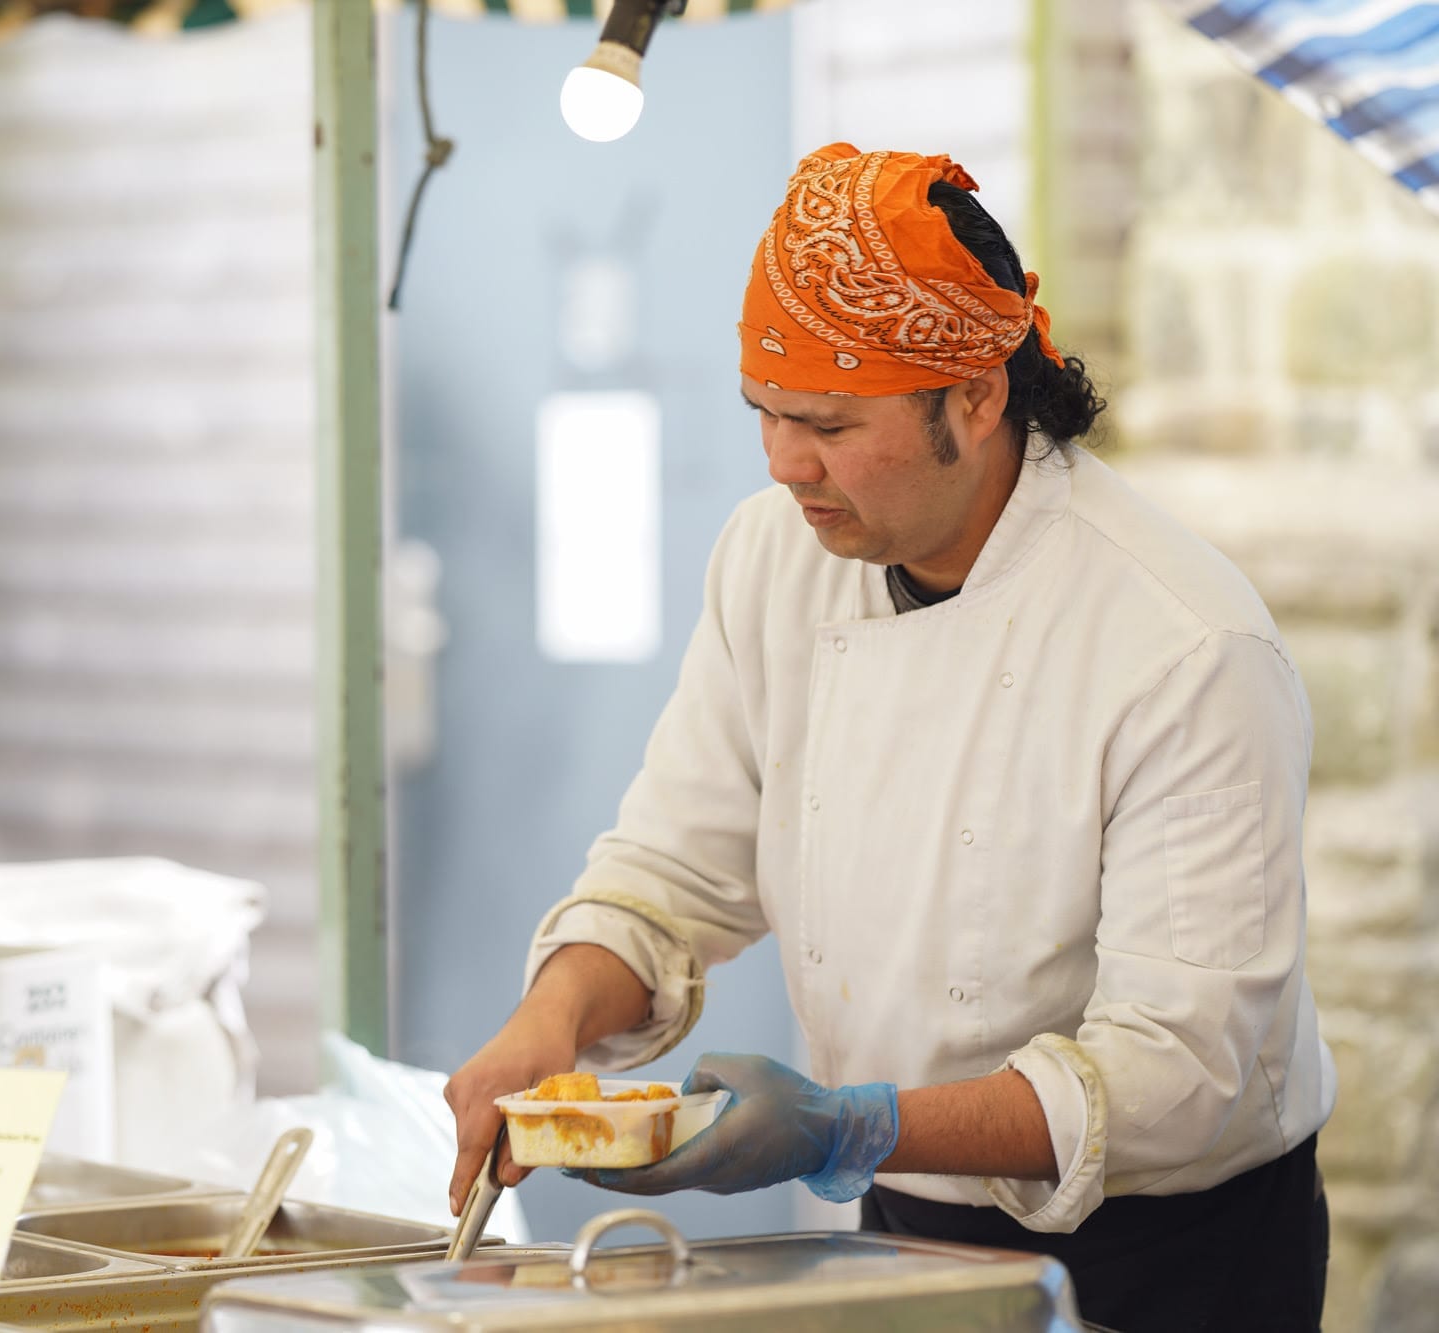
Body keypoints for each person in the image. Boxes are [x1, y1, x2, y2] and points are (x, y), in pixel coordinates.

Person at [444, 143, 1335, 1333]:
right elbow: (674, 869)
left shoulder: (1182, 645)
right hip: (907, 1232)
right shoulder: (774, 558)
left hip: (1166, 1258)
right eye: (761, 412)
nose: (780, 464)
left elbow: (1179, 1075)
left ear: (971, 398)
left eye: (823, 423)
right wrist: (545, 1019)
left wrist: (850, 1125)